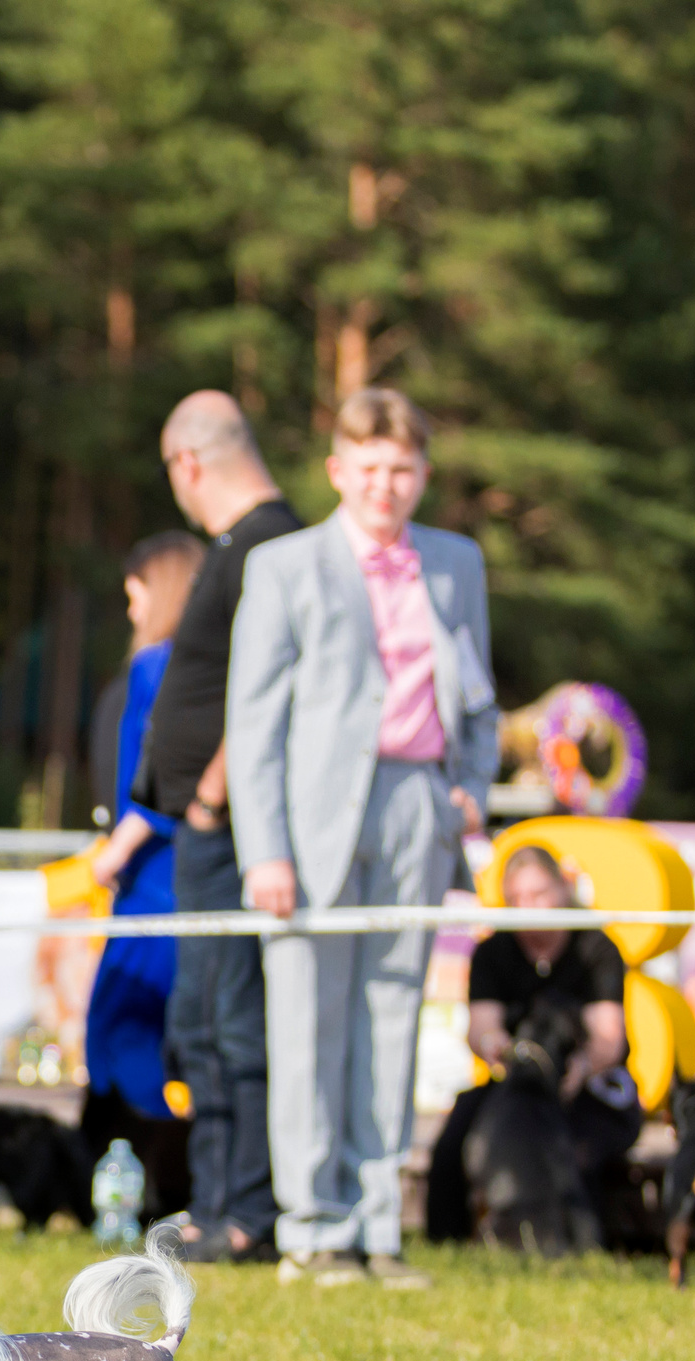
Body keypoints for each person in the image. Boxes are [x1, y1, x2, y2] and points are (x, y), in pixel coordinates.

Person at [227, 387, 497, 1289]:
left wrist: (468, 791)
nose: (387, 485)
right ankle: (313, 1228)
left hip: (418, 800)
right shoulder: (285, 565)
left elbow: (480, 695)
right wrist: (265, 849)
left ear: (424, 474)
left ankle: (379, 1226)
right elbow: (254, 722)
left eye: (403, 470)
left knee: (393, 1014)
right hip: (310, 818)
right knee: (307, 1019)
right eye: (371, 468)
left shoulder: (455, 562)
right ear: (338, 471)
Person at [142, 391, 299, 1263]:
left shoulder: (268, 545)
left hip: (230, 826)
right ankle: (215, 1202)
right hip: (208, 826)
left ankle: (242, 1211)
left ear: (187, 463)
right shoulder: (244, 545)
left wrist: (213, 793)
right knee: (204, 1020)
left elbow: (269, 681)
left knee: (230, 1020)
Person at [425, 845, 641, 1244]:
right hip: (518, 1082)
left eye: (538, 894)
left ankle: (581, 1243)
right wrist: (501, 1050)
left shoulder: (595, 948)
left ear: (563, 889)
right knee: (455, 1139)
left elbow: (608, 1039)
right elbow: (481, 1028)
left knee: (570, 1148)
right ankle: (446, 1240)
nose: (529, 907)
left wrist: (578, 1070)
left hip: (587, 1083)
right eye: (517, 898)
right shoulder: (494, 951)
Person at [84, 532, 203, 1198]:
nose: (132, 611)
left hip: (154, 877)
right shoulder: (196, 667)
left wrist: (119, 847)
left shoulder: (159, 666)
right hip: (170, 872)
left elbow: (162, 773)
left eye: (136, 596)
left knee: (123, 1028)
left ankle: (140, 1177)